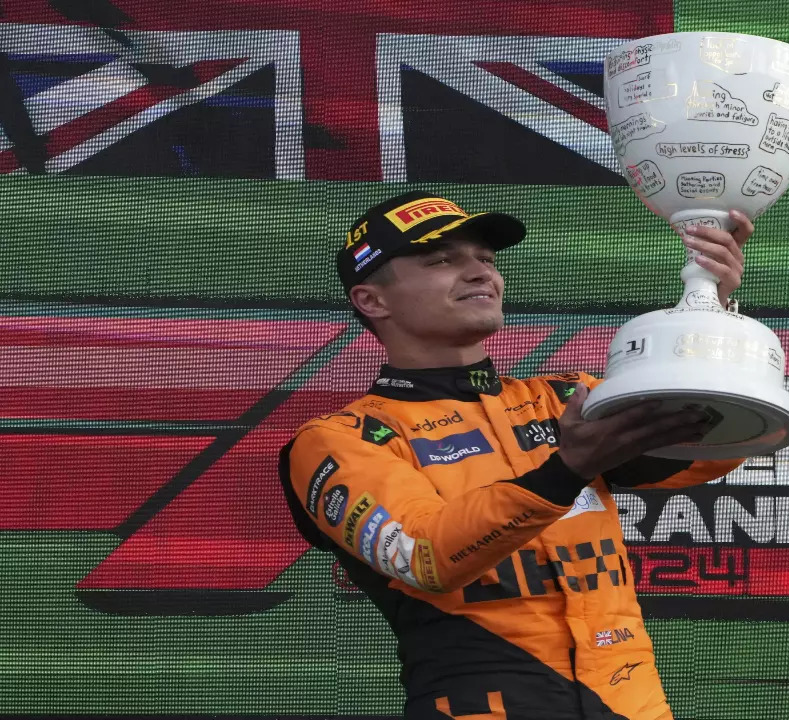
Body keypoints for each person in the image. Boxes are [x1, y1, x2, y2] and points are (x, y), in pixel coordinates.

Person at [278, 191, 754, 720]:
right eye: (441, 260)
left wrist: (712, 306)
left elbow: (715, 444)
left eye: (485, 258)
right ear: (372, 301)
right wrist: (566, 470)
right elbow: (423, 557)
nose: (480, 272)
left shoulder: (564, 399)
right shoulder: (342, 439)